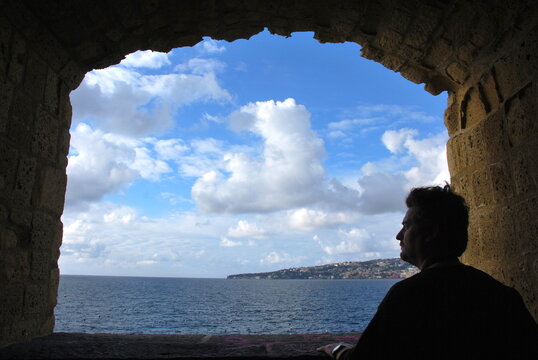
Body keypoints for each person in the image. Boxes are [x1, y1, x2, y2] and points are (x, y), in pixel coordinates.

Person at [317, 185, 537, 359]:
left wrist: (338, 349)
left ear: (431, 232)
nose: (398, 235)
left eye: (406, 226)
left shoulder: (409, 294)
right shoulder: (501, 294)